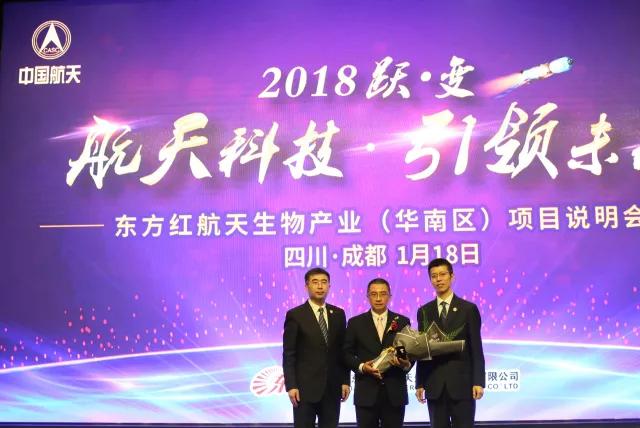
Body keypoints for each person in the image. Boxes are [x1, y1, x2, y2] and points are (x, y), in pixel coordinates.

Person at [415, 258, 485, 428]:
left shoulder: (468, 309)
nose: (438, 279)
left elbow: (476, 348)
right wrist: (420, 383)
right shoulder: (424, 311)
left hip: (462, 384)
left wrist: (478, 381)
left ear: (452, 277)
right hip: (435, 384)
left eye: (442, 274)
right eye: (434, 276)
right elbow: (423, 350)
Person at [283, 267, 351, 428]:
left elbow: (343, 351)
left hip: (332, 388)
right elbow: (289, 354)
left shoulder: (338, 314)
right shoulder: (295, 315)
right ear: (306, 286)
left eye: (324, 282)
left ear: (329, 286)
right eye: (315, 282)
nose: (320, 286)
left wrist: (345, 381)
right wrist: (291, 385)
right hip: (304, 389)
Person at [344, 278, 412, 428]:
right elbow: (346, 353)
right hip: (366, 393)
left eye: (383, 294)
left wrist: (406, 363)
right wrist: (362, 366)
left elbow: (408, 352)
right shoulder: (355, 323)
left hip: (395, 393)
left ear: (390, 296)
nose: (379, 298)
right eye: (374, 294)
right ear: (367, 297)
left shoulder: (402, 321)